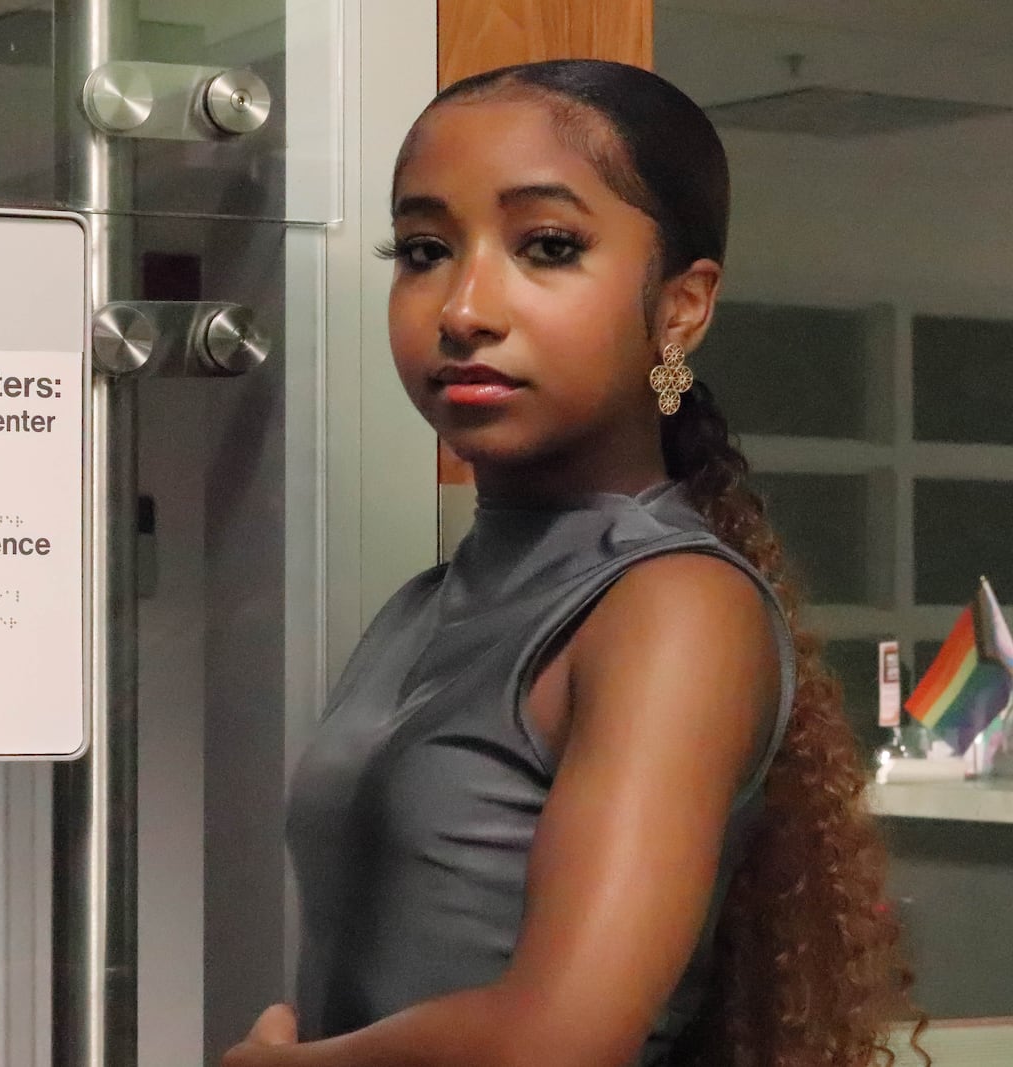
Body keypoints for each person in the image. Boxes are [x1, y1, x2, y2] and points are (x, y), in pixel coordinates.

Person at [223, 59, 926, 1067]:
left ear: (680, 308)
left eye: (546, 246)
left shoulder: (671, 603)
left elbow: (561, 1036)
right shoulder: (423, 605)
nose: (463, 306)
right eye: (422, 248)